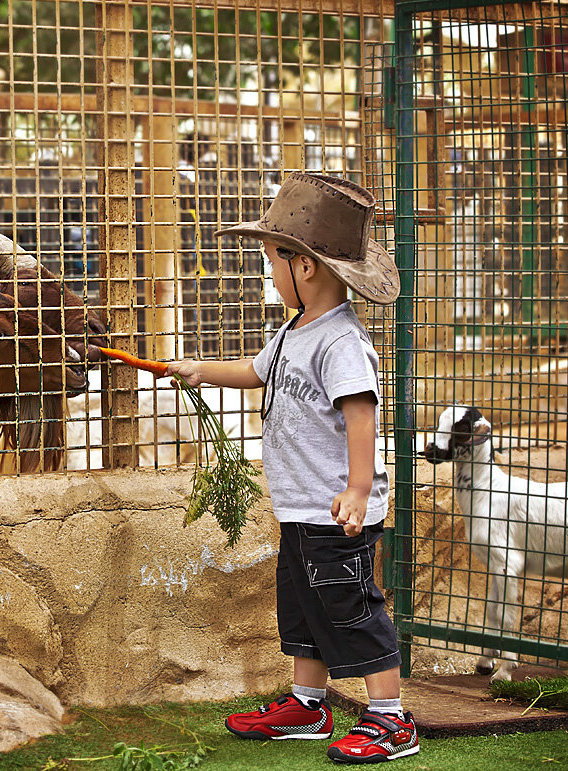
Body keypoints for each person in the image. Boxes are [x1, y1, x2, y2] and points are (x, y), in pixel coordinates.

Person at [165, 172, 417, 764]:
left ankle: (390, 717)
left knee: (350, 606)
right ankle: (309, 705)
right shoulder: (291, 333)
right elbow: (257, 373)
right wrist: (202, 370)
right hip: (302, 507)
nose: (271, 274)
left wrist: (358, 488)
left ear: (304, 268)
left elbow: (362, 415)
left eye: (273, 262)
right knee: (304, 606)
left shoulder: (340, 342)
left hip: (338, 510)